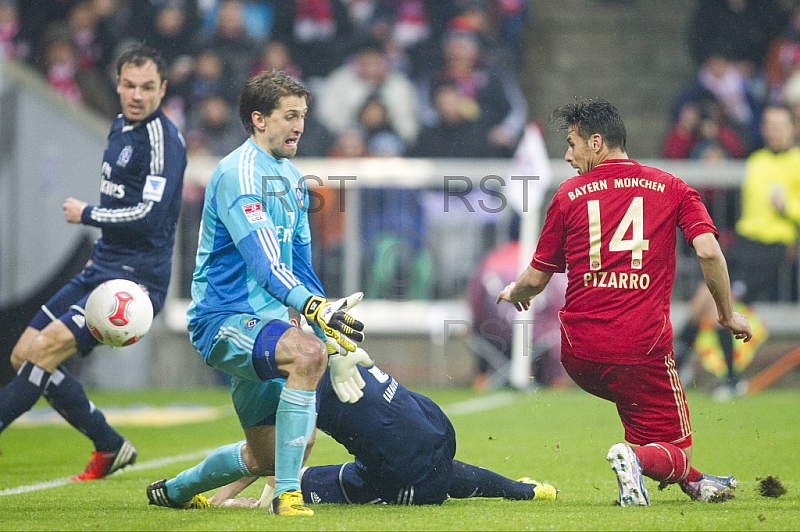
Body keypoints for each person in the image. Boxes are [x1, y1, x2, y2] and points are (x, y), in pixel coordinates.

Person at [496, 99, 753, 507]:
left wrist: (514, 293)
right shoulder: (672, 187)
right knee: (674, 446)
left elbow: (535, 278)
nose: (567, 155)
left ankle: (693, 480)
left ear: (596, 143)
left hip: (579, 354)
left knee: (641, 411)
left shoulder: (567, 194)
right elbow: (708, 252)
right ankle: (640, 459)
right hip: (638, 347)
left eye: (572, 144)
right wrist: (725, 314)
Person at [145, 69, 365, 518]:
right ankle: (287, 497)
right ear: (259, 119)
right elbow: (266, 264)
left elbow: (300, 266)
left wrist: (322, 318)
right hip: (224, 321)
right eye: (290, 116)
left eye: (302, 115)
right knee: (306, 357)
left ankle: (176, 490)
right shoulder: (239, 173)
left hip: (269, 326)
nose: (300, 126)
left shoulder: (292, 180)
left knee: (274, 452)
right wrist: (312, 317)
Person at [0, 44, 186, 481]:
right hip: (103, 265)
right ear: (117, 85)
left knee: (43, 351)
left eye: (147, 88)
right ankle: (109, 444)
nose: (136, 95)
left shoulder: (164, 142)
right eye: (128, 85)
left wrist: (88, 214)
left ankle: (107, 444)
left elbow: (151, 214)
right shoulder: (121, 124)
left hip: (134, 281)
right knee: (23, 354)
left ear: (163, 89)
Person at [159, 312, 558, 508]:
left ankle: (194, 493)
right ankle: (524, 490)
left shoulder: (297, 370)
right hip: (435, 427)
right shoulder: (321, 340)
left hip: (406, 478)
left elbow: (291, 446)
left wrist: (262, 497)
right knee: (433, 463)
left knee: (304, 475)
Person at [673, 103, 800, 400]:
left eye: (780, 124)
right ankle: (679, 366)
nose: (773, 130)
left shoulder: (796, 162)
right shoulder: (756, 161)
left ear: (792, 128)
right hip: (743, 242)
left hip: (771, 248)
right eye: (768, 124)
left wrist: (788, 209)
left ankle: (728, 379)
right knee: (702, 300)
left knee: (723, 302)